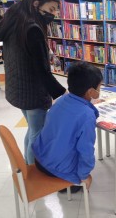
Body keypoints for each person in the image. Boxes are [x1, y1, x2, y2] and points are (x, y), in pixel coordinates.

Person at [0, 0, 66, 164]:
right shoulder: (32, 29)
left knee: (32, 130)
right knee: (38, 134)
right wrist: (63, 94)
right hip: (32, 92)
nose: (53, 14)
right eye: (50, 9)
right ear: (36, 4)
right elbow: (42, 71)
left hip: (18, 87)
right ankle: (31, 173)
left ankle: (26, 165)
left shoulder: (15, 19)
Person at [32, 61, 103, 192]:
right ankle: (66, 186)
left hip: (39, 159)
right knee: (81, 182)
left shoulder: (61, 100)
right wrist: (84, 175)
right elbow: (86, 151)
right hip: (56, 171)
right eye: (99, 88)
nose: (100, 91)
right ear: (91, 92)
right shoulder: (87, 116)